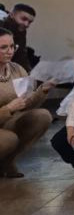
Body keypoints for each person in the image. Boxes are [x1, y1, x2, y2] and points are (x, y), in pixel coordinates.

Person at [0, 27, 53, 178]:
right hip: (4, 124)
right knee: (8, 138)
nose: (9, 51)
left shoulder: (16, 69)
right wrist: (8, 109)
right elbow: (11, 108)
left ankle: (7, 161)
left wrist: (44, 89)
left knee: (42, 115)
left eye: (12, 46)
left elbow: (28, 103)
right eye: (3, 47)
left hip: (8, 122)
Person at [0, 4, 40, 71]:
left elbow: (21, 56)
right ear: (12, 15)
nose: (26, 24)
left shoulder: (21, 32)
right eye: (24, 19)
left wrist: (28, 73)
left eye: (30, 22)